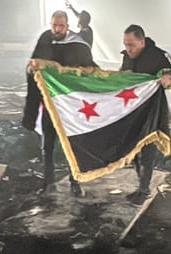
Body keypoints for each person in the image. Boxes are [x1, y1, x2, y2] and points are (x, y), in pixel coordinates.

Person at [22, 10, 97, 197]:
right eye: (54, 25)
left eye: (61, 26)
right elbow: (33, 63)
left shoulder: (78, 44)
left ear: (67, 26)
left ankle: (75, 181)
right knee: (47, 144)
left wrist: (90, 70)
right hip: (50, 103)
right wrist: (31, 68)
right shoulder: (45, 39)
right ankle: (49, 183)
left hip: (70, 105)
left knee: (72, 144)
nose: (57, 29)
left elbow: (91, 67)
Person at [120, 24, 171, 205]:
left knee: (148, 150)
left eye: (131, 45)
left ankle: (144, 189)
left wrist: (170, 76)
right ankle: (140, 185)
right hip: (133, 111)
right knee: (133, 150)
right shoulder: (127, 57)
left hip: (153, 112)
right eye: (125, 44)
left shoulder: (159, 55)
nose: (128, 49)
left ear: (142, 42)